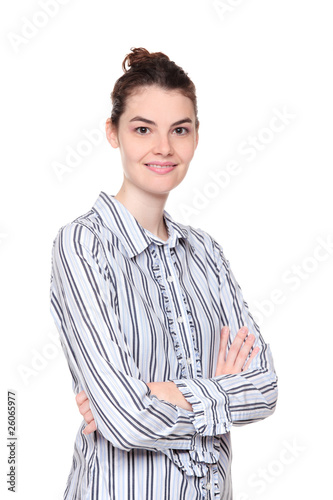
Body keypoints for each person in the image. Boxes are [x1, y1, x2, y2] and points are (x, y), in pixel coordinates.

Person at [50, 47, 278, 500]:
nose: (164, 148)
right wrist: (217, 393)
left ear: (196, 136)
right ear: (113, 133)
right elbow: (126, 421)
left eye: (179, 130)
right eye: (142, 129)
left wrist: (162, 392)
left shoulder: (207, 253)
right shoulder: (83, 245)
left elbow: (265, 388)